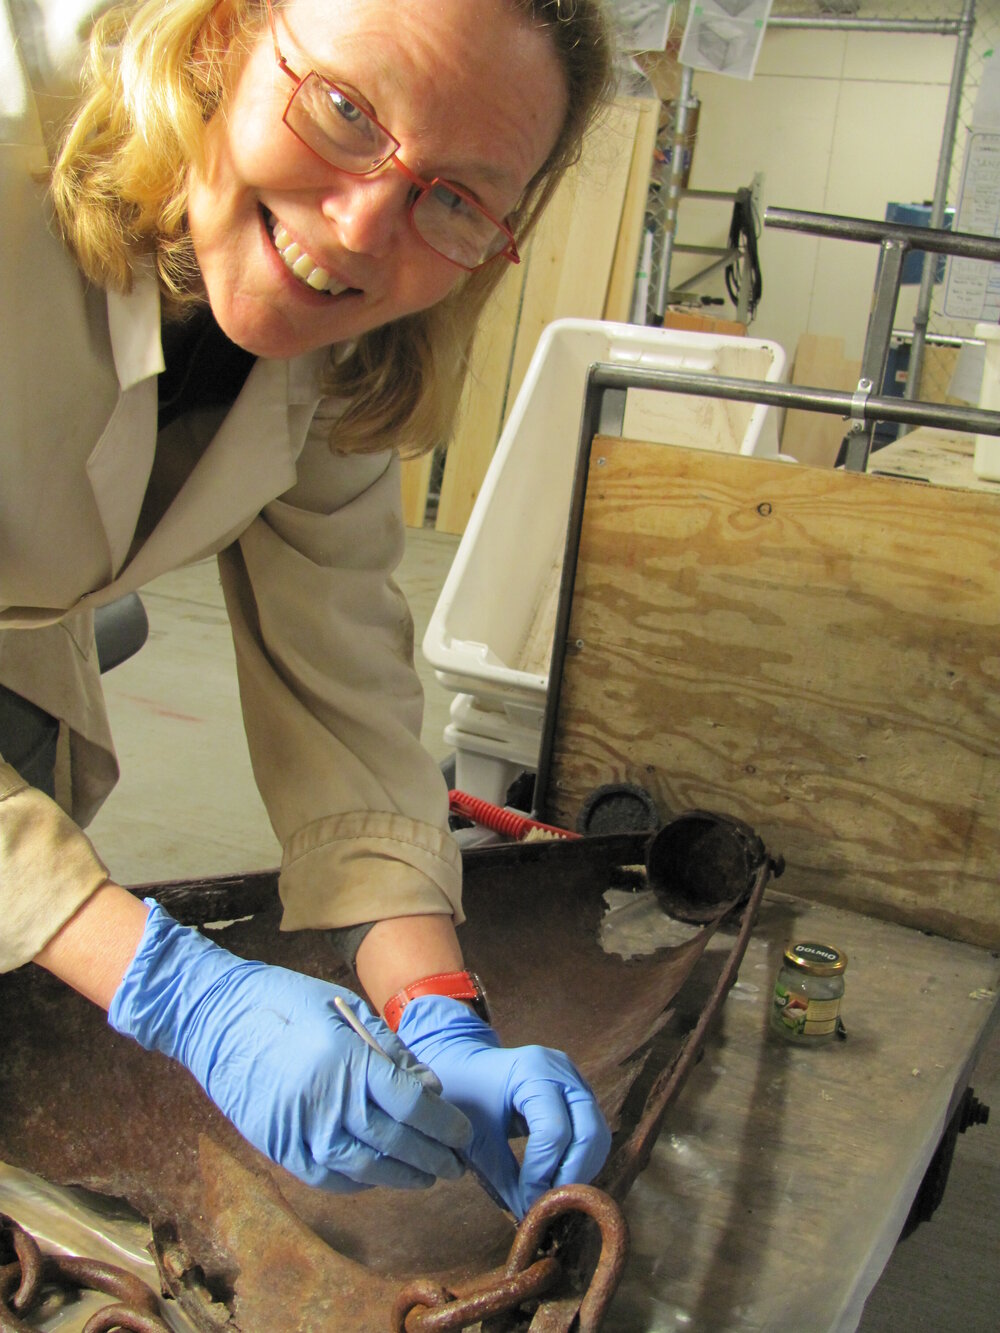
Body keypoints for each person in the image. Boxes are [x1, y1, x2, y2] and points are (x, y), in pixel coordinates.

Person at [0, 0, 616, 1218]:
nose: (359, 228)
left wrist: (439, 1015)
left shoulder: (348, 333)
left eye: (455, 197)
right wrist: (173, 988)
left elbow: (340, 669)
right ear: (221, 33)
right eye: (344, 112)